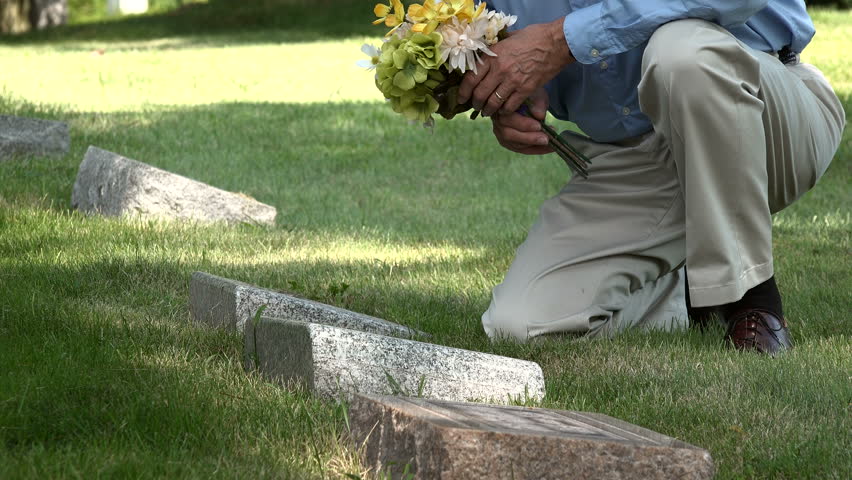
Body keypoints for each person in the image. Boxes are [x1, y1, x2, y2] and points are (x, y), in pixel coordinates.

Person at [460, 1, 846, 354]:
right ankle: (686, 287)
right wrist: (510, 101)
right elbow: (504, 44)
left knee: (683, 53)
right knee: (517, 326)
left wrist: (561, 39)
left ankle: (751, 297)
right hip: (636, 159)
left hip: (763, 114)